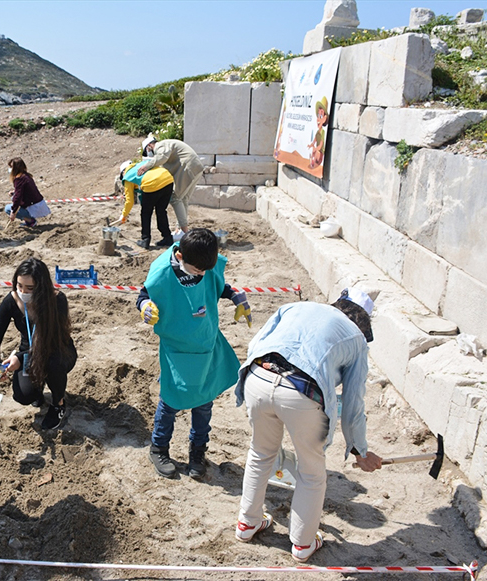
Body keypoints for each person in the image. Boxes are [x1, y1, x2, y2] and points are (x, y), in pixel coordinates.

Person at [233, 288, 383, 563]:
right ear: (363, 323)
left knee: (260, 454)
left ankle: (247, 524)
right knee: (312, 472)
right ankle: (302, 543)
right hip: (301, 394)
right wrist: (359, 450)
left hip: (258, 376)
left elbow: (256, 343)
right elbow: (353, 404)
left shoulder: (296, 307)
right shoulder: (356, 339)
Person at [136, 228, 252, 479]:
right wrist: (145, 306)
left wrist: (236, 296)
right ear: (179, 255)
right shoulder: (162, 275)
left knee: (203, 401)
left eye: (204, 270)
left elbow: (219, 287)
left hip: (205, 344)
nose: (201, 274)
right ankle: (159, 448)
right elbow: (144, 294)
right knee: (170, 400)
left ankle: (198, 452)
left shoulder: (206, 269)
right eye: (197, 269)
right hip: (176, 348)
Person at [0, 258, 77, 430]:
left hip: (58, 350)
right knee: (24, 396)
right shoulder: (11, 300)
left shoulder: (57, 300)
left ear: (41, 287)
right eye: (19, 285)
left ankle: (58, 403)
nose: (23, 291)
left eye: (29, 288)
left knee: (53, 363)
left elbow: (48, 344)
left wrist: (19, 359)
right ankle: (37, 390)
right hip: (28, 353)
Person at [137, 135, 204, 240]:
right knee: (183, 199)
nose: (150, 154)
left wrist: (146, 166)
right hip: (196, 167)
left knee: (175, 197)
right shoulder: (167, 147)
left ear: (149, 146)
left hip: (188, 166)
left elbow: (161, 157)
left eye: (147, 151)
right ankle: (180, 230)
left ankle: (185, 232)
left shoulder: (160, 146)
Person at [118, 159, 173, 250]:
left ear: (123, 171)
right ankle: (167, 237)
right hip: (168, 179)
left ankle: (145, 239)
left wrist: (124, 214)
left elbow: (129, 201)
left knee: (146, 213)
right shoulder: (141, 164)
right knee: (161, 210)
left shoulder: (127, 176)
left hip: (152, 184)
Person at [4, 157, 51, 227]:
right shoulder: (26, 176)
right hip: (39, 205)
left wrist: (13, 212)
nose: (10, 169)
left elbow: (18, 197)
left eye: (11, 167)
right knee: (13, 198)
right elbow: (26, 190)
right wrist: (15, 192)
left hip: (34, 208)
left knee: (8, 208)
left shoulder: (19, 179)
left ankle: (30, 221)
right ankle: (29, 219)